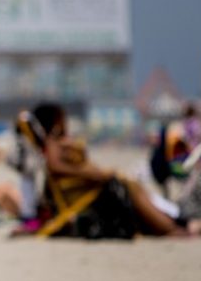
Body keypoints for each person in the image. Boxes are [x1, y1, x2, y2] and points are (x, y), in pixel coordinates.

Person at [36, 102, 183, 238]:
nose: (65, 121)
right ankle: (168, 227)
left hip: (86, 188)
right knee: (130, 187)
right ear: (55, 121)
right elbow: (54, 166)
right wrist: (94, 174)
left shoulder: (55, 141)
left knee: (132, 186)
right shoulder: (51, 141)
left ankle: (169, 221)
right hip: (82, 192)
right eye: (62, 118)